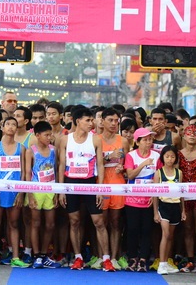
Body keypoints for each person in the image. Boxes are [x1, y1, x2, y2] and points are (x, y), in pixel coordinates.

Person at [58, 106, 114, 271]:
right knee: (74, 221)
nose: (91, 123)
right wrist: (61, 190)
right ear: (78, 121)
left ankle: (106, 259)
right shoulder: (65, 140)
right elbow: (61, 165)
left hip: (90, 183)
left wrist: (99, 189)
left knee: (99, 222)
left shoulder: (95, 139)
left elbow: (100, 165)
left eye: (92, 120)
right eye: (88, 120)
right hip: (70, 183)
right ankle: (78, 257)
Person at [0, 117, 29, 268]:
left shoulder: (21, 148)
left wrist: (21, 193)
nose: (10, 127)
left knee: (14, 223)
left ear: (17, 128)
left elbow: (23, 172)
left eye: (13, 124)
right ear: (2, 127)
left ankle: (15, 257)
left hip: (15, 190)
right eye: (7, 124)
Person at [124, 127, 159, 272]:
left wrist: (154, 196)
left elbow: (158, 177)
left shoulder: (157, 156)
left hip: (149, 200)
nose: (148, 142)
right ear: (137, 142)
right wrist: (143, 164)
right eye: (145, 140)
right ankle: (132, 258)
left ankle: (144, 259)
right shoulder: (131, 156)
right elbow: (130, 175)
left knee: (147, 230)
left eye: (150, 139)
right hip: (132, 200)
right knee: (132, 229)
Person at [25, 121, 59, 269]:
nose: (49, 138)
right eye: (46, 135)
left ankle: (44, 254)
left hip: (50, 189)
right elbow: (27, 173)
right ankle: (37, 255)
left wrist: (57, 191)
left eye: (50, 135)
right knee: (35, 223)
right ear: (37, 135)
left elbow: (56, 170)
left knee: (50, 224)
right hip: (36, 189)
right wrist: (30, 195)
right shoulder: (31, 151)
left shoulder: (53, 150)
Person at [99, 107, 128, 269]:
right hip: (101, 183)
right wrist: (109, 157)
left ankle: (115, 257)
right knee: (101, 222)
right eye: (110, 120)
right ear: (102, 121)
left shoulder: (123, 141)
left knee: (116, 222)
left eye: (116, 121)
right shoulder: (95, 140)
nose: (114, 123)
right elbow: (92, 163)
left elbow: (128, 164)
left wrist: (123, 169)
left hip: (118, 183)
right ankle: (102, 256)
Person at [178, 124, 196, 272]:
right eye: (189, 132)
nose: (192, 135)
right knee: (187, 229)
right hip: (184, 195)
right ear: (184, 135)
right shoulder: (178, 154)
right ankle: (190, 260)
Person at [153, 145, 183, 275]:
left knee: (170, 236)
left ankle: (166, 262)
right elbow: (154, 194)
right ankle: (161, 264)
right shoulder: (158, 173)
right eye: (167, 156)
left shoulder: (179, 173)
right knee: (165, 234)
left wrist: (183, 210)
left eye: (172, 157)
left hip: (175, 206)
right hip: (163, 205)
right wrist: (155, 212)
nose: (170, 159)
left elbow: (181, 193)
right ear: (163, 158)